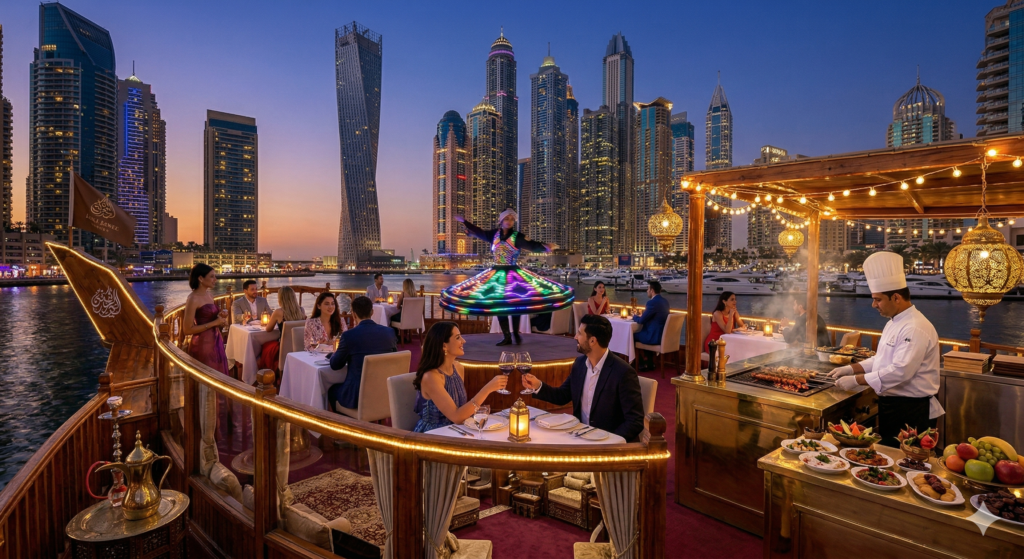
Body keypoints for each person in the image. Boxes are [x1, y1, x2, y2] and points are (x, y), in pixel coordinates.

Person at [828, 251, 943, 447]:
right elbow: (881, 359)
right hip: (893, 405)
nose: (874, 305)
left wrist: (856, 380)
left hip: (912, 409)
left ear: (896, 297)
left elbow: (901, 371)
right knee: (890, 457)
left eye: (878, 299)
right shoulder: (894, 321)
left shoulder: (915, 326)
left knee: (908, 463)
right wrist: (850, 368)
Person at [442, 209, 572, 346]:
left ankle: (515, 333)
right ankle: (506, 336)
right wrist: (464, 222)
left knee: (514, 305)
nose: (509, 221)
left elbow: (532, 244)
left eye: (511, 219)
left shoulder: (517, 236)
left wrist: (545, 247)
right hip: (497, 273)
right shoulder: (494, 234)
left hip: (513, 274)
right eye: (506, 219)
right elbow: (480, 232)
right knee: (500, 305)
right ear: (501, 221)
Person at [522, 315, 645, 442]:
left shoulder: (623, 372)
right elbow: (562, 396)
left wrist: (609, 442)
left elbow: (635, 421)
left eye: (580, 333)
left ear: (592, 341)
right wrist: (538, 386)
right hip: (581, 438)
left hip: (608, 445)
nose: (575, 337)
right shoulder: (580, 364)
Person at [412, 321, 508, 432]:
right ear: (444, 345)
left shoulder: (458, 368)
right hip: (434, 435)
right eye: (458, 338)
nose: (463, 341)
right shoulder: (431, 377)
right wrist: (487, 389)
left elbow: (461, 411)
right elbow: (456, 417)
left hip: (458, 430)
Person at [327, 296, 398, 412]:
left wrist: (333, 354)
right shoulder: (389, 333)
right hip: (384, 392)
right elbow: (394, 359)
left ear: (354, 315)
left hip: (358, 397)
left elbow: (335, 365)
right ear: (372, 312)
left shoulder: (349, 336)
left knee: (332, 390)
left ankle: (344, 427)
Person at [184, 264, 230, 376]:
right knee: (208, 377)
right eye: (212, 276)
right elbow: (187, 330)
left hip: (216, 339)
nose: (215, 279)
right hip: (203, 343)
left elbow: (209, 317)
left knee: (219, 375)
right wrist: (215, 322)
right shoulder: (193, 299)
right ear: (200, 278)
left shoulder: (209, 295)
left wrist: (220, 316)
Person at [258, 287, 307, 371]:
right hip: (300, 346)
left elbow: (268, 329)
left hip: (283, 347)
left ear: (280, 299)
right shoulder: (301, 310)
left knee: (264, 348)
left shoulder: (278, 312)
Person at [632, 280, 671, 371]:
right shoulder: (665, 302)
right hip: (662, 335)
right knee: (643, 333)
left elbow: (641, 320)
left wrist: (634, 317)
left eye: (648, 289)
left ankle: (639, 363)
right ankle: (650, 362)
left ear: (652, 290)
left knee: (631, 336)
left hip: (654, 336)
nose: (647, 291)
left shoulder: (652, 303)